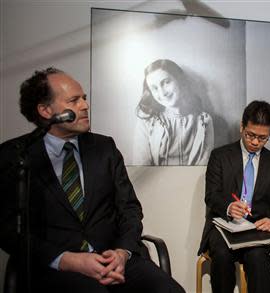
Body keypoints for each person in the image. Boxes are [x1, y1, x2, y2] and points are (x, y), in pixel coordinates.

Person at [0, 68, 185, 293]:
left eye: (84, 99)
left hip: (115, 260)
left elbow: (130, 210)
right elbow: (8, 229)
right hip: (57, 268)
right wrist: (67, 260)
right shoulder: (16, 155)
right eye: (74, 100)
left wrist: (122, 253)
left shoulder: (104, 148)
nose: (85, 106)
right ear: (46, 110)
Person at [198, 100, 270, 293]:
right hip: (223, 226)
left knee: (258, 259)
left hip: (256, 229)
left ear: (269, 134)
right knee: (222, 256)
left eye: (263, 138)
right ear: (242, 127)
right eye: (250, 135)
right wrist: (229, 207)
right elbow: (211, 195)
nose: (255, 142)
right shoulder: (220, 156)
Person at [133, 59, 214, 165]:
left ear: (179, 80)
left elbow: (204, 165)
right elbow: (141, 167)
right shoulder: (147, 121)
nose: (162, 93)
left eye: (166, 82)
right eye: (154, 88)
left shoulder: (204, 121)